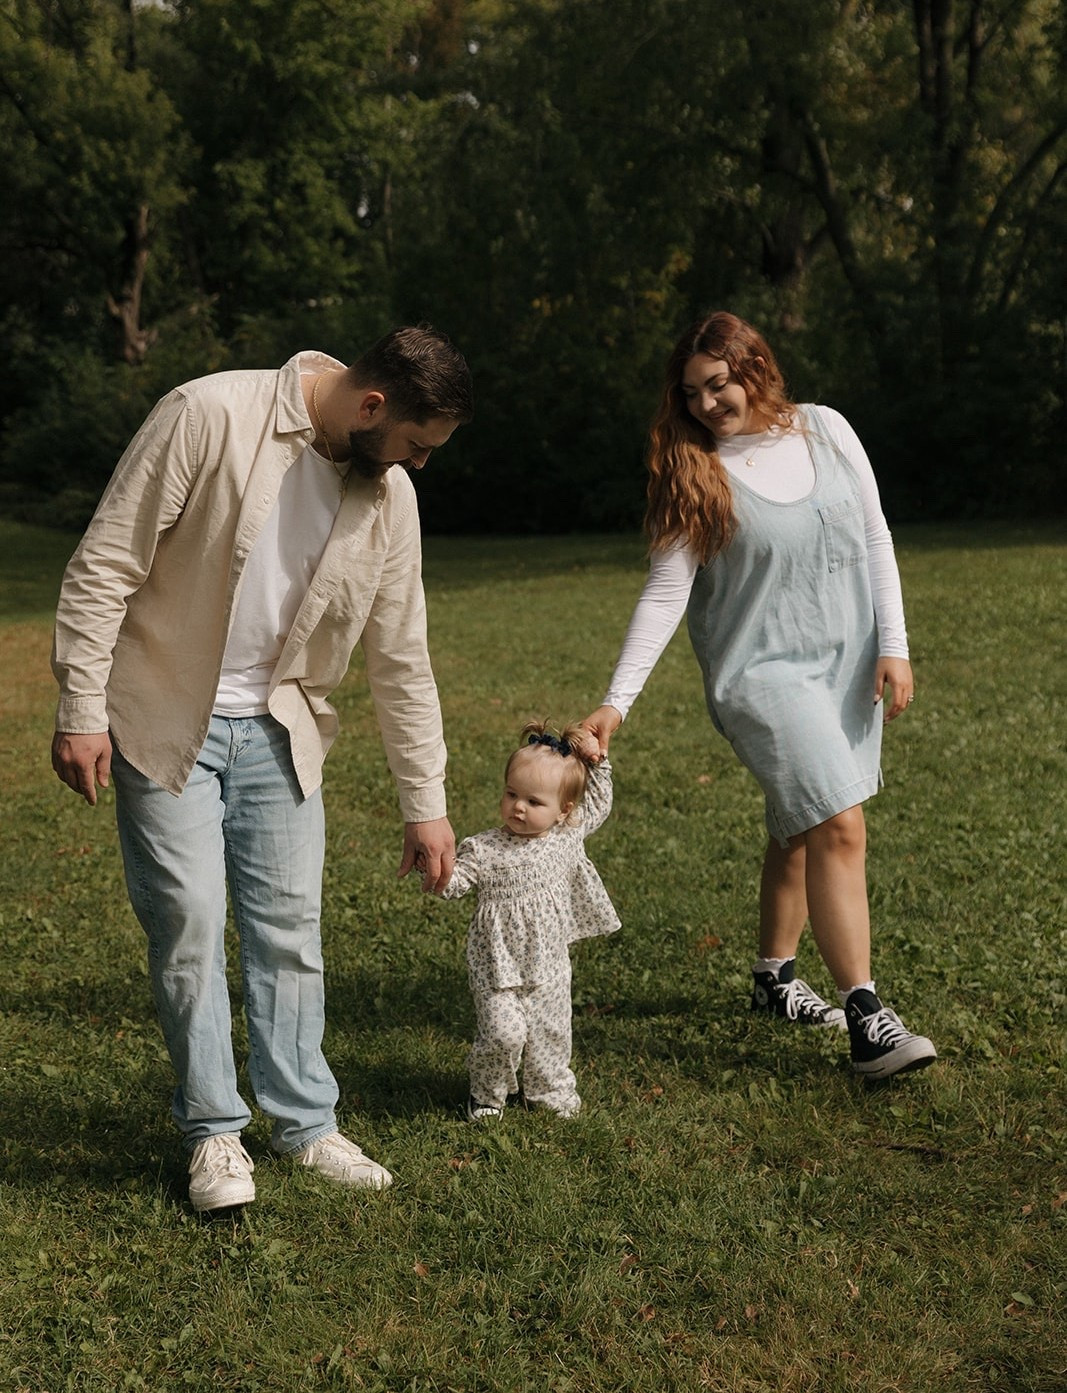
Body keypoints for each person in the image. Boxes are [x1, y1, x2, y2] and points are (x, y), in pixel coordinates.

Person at [50, 324, 474, 1213]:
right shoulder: (206, 413)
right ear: (372, 405)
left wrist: (425, 802)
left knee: (288, 932)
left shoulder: (388, 496)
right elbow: (104, 564)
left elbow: (402, 654)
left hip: (282, 730)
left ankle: (305, 1123)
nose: (420, 464)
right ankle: (213, 1132)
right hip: (165, 715)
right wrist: (81, 706)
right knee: (190, 922)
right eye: (416, 443)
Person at [583, 311, 936, 1081]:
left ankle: (773, 978)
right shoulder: (695, 471)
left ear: (753, 367)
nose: (706, 403)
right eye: (691, 393)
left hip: (845, 663)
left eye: (718, 384)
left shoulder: (826, 429)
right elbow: (664, 593)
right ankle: (867, 1019)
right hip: (761, 675)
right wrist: (616, 701)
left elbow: (874, 533)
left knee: (801, 821)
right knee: (836, 820)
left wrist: (894, 644)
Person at [437, 721, 620, 1120]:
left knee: (551, 1033)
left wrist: (598, 762)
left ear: (563, 810)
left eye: (534, 802)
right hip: (496, 968)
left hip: (549, 965)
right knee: (502, 1035)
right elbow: (455, 883)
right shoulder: (485, 848)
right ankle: (487, 1095)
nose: (518, 807)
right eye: (511, 794)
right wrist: (435, 866)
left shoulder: (566, 835)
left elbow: (599, 802)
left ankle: (548, 1092)